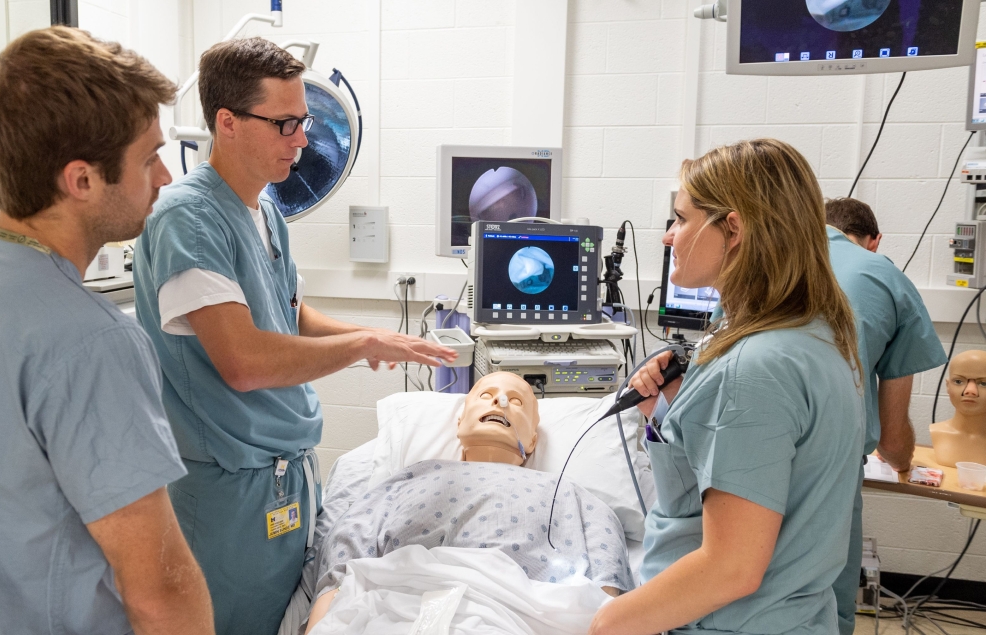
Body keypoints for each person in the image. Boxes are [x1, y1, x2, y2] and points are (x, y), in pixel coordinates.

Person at [0, 27, 213, 635]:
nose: (164, 176)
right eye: (149, 157)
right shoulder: (90, 341)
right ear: (81, 180)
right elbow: (159, 589)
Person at [132, 37, 456, 635]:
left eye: (303, 122)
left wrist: (378, 334)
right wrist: (360, 348)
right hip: (226, 487)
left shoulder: (265, 211)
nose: (303, 140)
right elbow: (245, 361)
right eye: (285, 124)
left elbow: (291, 315)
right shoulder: (188, 219)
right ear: (226, 123)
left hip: (280, 474)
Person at [588, 139, 865, 635]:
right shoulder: (812, 334)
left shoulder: (755, 367)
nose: (670, 236)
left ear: (732, 228)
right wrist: (667, 411)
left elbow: (731, 567)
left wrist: (608, 623)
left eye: (681, 219)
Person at [305, 373, 633, 633]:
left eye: (516, 402)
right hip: (398, 609)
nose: (501, 402)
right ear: (460, 422)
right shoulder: (410, 478)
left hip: (520, 617)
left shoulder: (568, 494)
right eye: (485, 396)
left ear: (533, 439)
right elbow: (341, 560)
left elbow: (609, 588)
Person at [824, 196, 946, 635]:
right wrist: (903, 462)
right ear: (874, 242)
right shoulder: (885, 277)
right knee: (823, 607)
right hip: (826, 477)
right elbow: (894, 443)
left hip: (734, 462)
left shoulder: (765, 261)